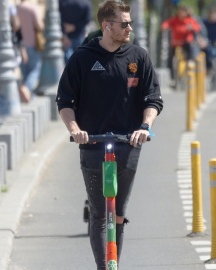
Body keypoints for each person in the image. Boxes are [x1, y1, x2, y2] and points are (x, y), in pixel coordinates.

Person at [55, 1, 164, 268]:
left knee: (118, 213)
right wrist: (75, 130)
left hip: (129, 144)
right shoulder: (82, 58)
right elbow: (65, 101)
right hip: (93, 145)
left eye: (130, 23)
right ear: (106, 26)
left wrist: (145, 127)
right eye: (123, 23)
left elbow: (153, 99)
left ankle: (115, 263)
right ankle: (103, 266)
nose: (129, 28)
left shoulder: (139, 57)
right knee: (100, 212)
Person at [161, 4, 201, 87]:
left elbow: (197, 27)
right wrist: (164, 27)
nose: (181, 14)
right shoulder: (175, 20)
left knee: (190, 50)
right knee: (171, 58)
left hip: (186, 42)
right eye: (180, 12)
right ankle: (172, 78)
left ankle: (190, 64)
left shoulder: (189, 20)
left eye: (183, 12)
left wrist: (191, 27)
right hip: (176, 43)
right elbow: (166, 24)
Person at [16, 0, 43, 102]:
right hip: (32, 44)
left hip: (20, 46)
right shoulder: (32, 8)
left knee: (25, 71)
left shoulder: (16, 9)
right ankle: (26, 87)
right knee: (35, 69)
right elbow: (40, 26)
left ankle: (28, 95)